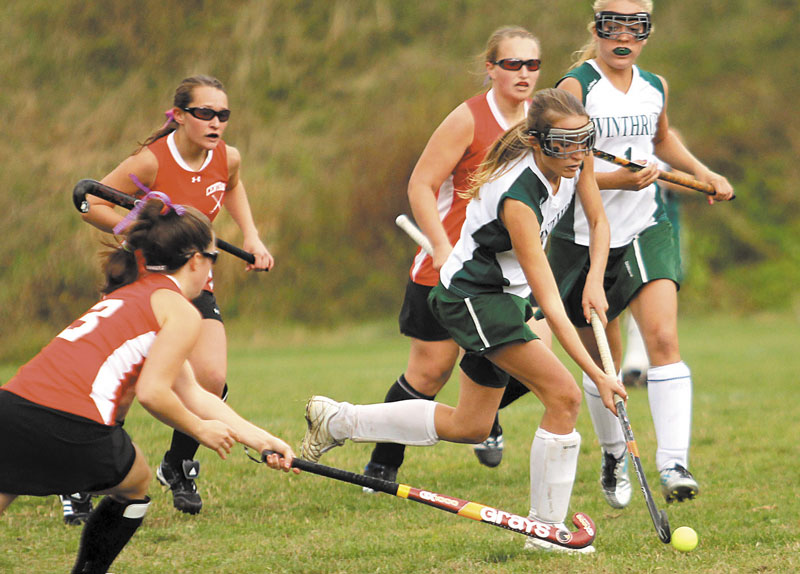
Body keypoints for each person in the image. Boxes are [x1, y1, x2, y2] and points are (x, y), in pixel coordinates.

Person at [301, 88, 626, 554]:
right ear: (537, 142)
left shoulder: (574, 160)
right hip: (471, 295)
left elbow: (597, 221)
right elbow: (551, 302)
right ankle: (545, 532)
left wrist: (595, 278)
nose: (577, 153)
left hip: (506, 294)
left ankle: (338, 421)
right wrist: (598, 373)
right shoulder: (519, 198)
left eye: (584, 140)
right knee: (565, 395)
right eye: (564, 143)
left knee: (472, 425)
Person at [0, 195, 296, 574]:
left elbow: (191, 393)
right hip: (75, 421)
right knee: (136, 480)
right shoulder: (181, 311)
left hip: (11, 407)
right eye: (214, 256)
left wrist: (261, 439)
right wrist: (200, 430)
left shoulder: (131, 294)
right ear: (196, 261)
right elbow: (153, 393)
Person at [549, 0, 734, 508]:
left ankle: (674, 463)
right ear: (597, 28)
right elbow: (560, 163)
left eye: (636, 26)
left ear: (648, 32)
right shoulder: (575, 87)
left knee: (663, 337)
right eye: (613, 26)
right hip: (579, 237)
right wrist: (616, 179)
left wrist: (705, 175)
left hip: (644, 227)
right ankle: (613, 454)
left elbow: (661, 138)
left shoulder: (656, 85)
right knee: (600, 359)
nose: (623, 36)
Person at [78, 74, 273, 518]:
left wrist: (253, 237)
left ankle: (177, 464)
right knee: (122, 391)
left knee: (211, 378)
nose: (215, 122)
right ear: (180, 116)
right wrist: (140, 227)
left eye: (223, 114)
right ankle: (83, 478)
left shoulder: (228, 157)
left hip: (194, 283)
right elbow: (91, 203)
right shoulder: (150, 162)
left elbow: (233, 184)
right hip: (144, 285)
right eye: (204, 113)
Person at [362, 26, 546, 487]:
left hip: (506, 273)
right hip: (446, 265)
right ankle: (382, 463)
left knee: (535, 361)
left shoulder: (541, 121)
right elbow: (420, 185)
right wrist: (441, 247)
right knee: (428, 374)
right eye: (512, 64)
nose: (524, 73)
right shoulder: (467, 119)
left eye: (532, 64)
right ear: (491, 69)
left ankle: (483, 413)